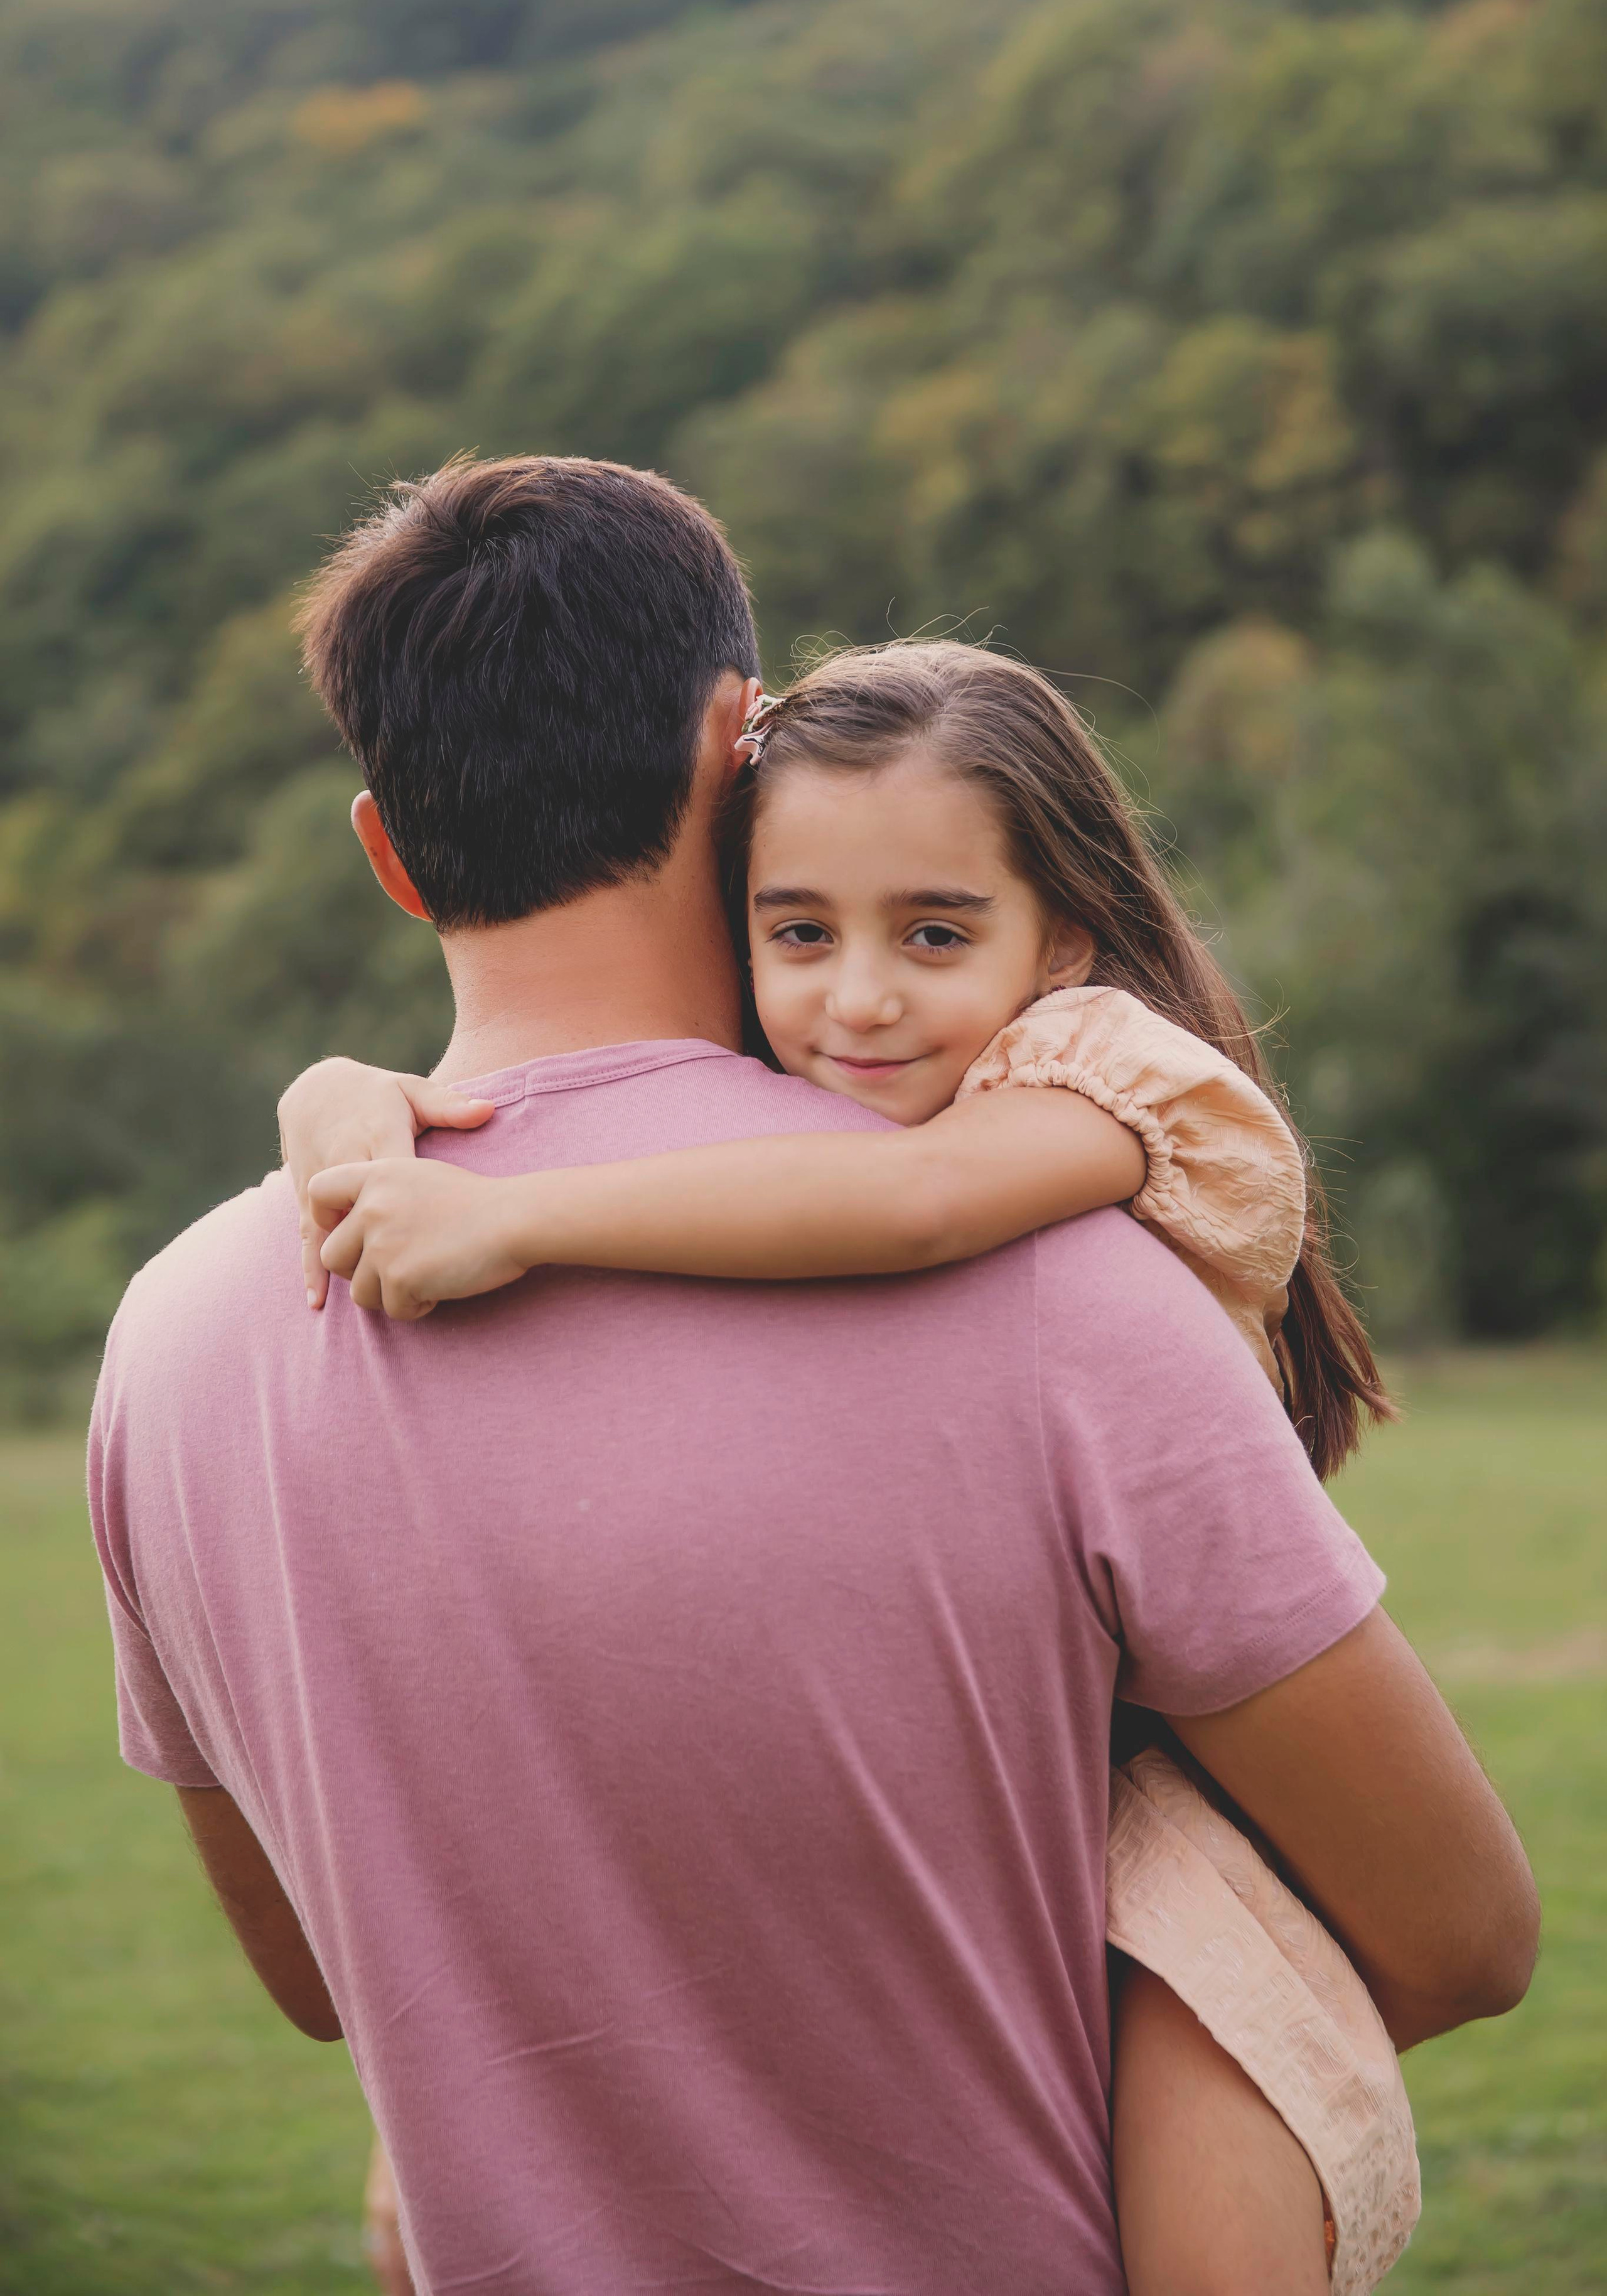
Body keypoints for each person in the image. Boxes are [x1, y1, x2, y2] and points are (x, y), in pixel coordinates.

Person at [89, 455, 1539, 2296]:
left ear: (385, 850)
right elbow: (1462, 1936)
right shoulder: (1060, 1288)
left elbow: (316, 1978)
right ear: (737, 755)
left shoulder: (173, 1337)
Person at [277, 636, 1394, 2292]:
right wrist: (349, 1103)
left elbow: (922, 1215)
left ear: (1064, 935)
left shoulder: (1103, 1075)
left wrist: (517, 1215)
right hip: (928, 1771)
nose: (858, 997)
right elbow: (401, 1088)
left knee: (1207, 2141)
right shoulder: (797, 1088)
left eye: (935, 935)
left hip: (1157, 1781)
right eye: (798, 931)